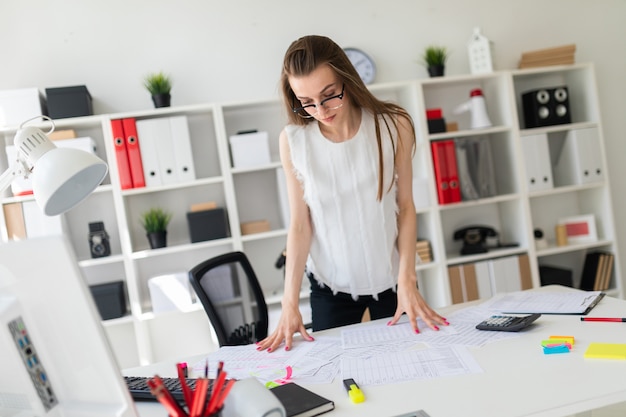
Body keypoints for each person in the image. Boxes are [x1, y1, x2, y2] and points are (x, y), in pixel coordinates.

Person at [257, 35, 448, 353]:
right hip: (329, 287)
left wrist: (408, 279)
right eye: (305, 101)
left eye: (329, 95)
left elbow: (406, 207)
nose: (320, 110)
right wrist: (289, 302)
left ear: (347, 79)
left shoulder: (393, 125)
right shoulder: (294, 141)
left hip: (393, 282)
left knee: (409, 365)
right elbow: (301, 225)